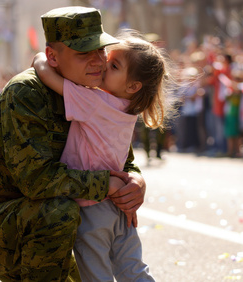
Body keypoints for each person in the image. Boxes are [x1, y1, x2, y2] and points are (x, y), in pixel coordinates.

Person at [0, 7, 147, 281]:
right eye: (83, 53)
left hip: (41, 223)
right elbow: (36, 180)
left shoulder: (98, 90)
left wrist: (135, 181)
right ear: (52, 56)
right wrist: (106, 184)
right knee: (58, 212)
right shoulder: (26, 92)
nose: (98, 62)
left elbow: (120, 158)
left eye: (101, 51)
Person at [33, 29, 172, 281]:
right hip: (120, 205)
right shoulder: (127, 110)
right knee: (134, 269)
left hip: (92, 206)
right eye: (108, 58)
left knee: (97, 275)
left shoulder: (94, 102)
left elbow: (46, 74)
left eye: (115, 65)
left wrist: (39, 59)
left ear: (132, 86)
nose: (104, 65)